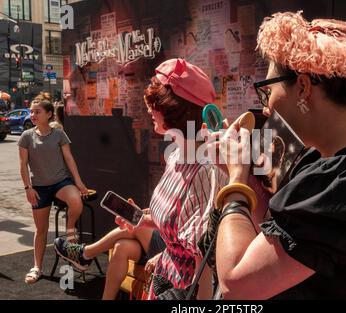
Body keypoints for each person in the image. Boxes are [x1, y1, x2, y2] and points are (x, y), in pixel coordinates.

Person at [213, 12, 346, 299]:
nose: (266, 108)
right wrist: (246, 180)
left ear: (302, 87)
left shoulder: (343, 182)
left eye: (268, 91)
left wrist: (236, 183)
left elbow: (236, 284)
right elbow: (283, 237)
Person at [55, 58, 228, 300]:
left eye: (154, 103)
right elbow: (177, 225)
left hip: (185, 290)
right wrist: (143, 220)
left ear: (173, 109)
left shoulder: (206, 171)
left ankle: (85, 254)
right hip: (165, 279)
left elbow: (205, 262)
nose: (148, 109)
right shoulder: (178, 154)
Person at [18, 92, 89, 284]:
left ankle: (69, 235)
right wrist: (27, 188)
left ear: (49, 114)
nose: (33, 115)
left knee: (75, 199)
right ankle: (37, 267)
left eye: (37, 112)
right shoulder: (26, 136)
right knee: (41, 229)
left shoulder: (59, 134)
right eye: (31, 112)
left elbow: (69, 159)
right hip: (39, 187)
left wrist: (79, 182)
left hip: (60, 182)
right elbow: (23, 164)